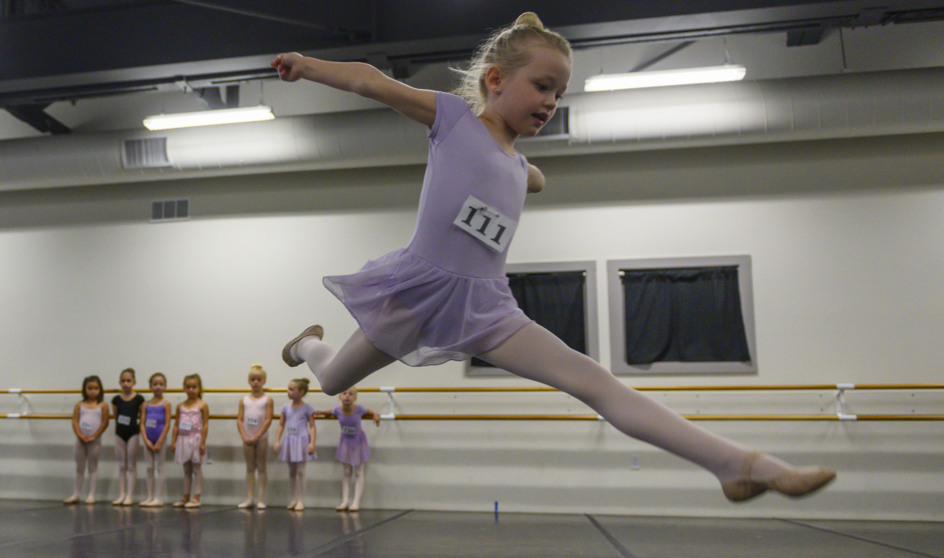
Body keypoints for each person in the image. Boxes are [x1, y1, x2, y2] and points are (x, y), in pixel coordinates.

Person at [273, 13, 835, 502]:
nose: (551, 102)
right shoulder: (452, 121)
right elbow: (374, 82)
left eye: (560, 94)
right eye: (542, 86)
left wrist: (525, 169)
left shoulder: (521, 169)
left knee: (596, 383)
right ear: (496, 81)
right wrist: (308, 64)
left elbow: (523, 175)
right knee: (331, 379)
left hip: (489, 309)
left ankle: (739, 466)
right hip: (418, 294)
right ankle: (306, 344)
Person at [331, 388, 379, 511]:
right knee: (346, 472)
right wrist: (318, 412)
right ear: (340, 397)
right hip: (345, 442)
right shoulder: (337, 410)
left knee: (358, 471)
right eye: (344, 393)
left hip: (358, 442)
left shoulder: (359, 409)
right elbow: (328, 412)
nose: (347, 396)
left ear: (355, 398)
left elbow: (371, 411)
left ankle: (356, 502)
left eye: (350, 394)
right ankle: (345, 501)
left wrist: (375, 415)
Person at [273, 378, 317, 511]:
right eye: (289, 388)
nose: (289, 391)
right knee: (292, 471)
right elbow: (281, 424)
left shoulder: (307, 408)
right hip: (290, 440)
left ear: (301, 392)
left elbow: (312, 427)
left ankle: (301, 500)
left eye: (292, 389)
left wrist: (312, 443)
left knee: (301, 470)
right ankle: (294, 498)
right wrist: (276, 440)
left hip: (302, 440)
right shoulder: (285, 408)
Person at [236, 364, 275, 510]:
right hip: (247, 437)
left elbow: (268, 419)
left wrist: (258, 435)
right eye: (253, 379)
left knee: (261, 467)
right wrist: (245, 435)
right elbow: (239, 419)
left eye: (259, 379)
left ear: (264, 381)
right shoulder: (244, 400)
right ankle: (249, 498)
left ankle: (260, 499)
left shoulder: (267, 399)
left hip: (261, 438)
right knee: (250, 468)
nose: (256, 382)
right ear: (249, 381)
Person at [68, 375, 109, 504]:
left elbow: (105, 422)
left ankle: (91, 495)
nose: (92, 391)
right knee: (80, 468)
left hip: (94, 441)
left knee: (93, 467)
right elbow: (75, 421)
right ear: (84, 389)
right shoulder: (79, 405)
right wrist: (80, 435)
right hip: (80, 440)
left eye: (96, 388)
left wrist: (95, 436)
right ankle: (76, 494)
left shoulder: (102, 405)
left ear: (100, 390)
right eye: (90, 388)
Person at [171, 374, 210, 509]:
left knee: (196, 468)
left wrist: (203, 442)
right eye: (188, 387)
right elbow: (176, 425)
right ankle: (186, 496)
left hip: (196, 438)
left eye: (194, 387)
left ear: (199, 388)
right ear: (183, 388)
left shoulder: (202, 405)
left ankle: (196, 496)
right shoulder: (180, 406)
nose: (191, 390)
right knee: (186, 469)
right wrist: (174, 441)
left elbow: (205, 425)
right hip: (183, 438)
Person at [110, 368, 145, 505]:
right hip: (119, 433)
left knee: (131, 465)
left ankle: (130, 495)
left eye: (128, 381)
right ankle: (122, 494)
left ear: (134, 382)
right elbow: (115, 416)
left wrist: (140, 429)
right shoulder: (116, 399)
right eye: (123, 381)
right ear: (119, 382)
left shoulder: (139, 398)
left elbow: (142, 416)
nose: (125, 383)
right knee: (121, 465)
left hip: (133, 433)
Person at [139, 372, 172, 508]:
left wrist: (159, 441)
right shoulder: (145, 404)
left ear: (165, 386)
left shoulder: (166, 403)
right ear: (150, 386)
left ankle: (158, 497)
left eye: (161, 384)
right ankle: (149, 496)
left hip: (160, 439)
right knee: (149, 467)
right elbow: (142, 423)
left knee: (160, 467)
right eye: (155, 384)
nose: (158, 387)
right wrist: (146, 440)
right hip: (148, 439)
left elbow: (167, 423)